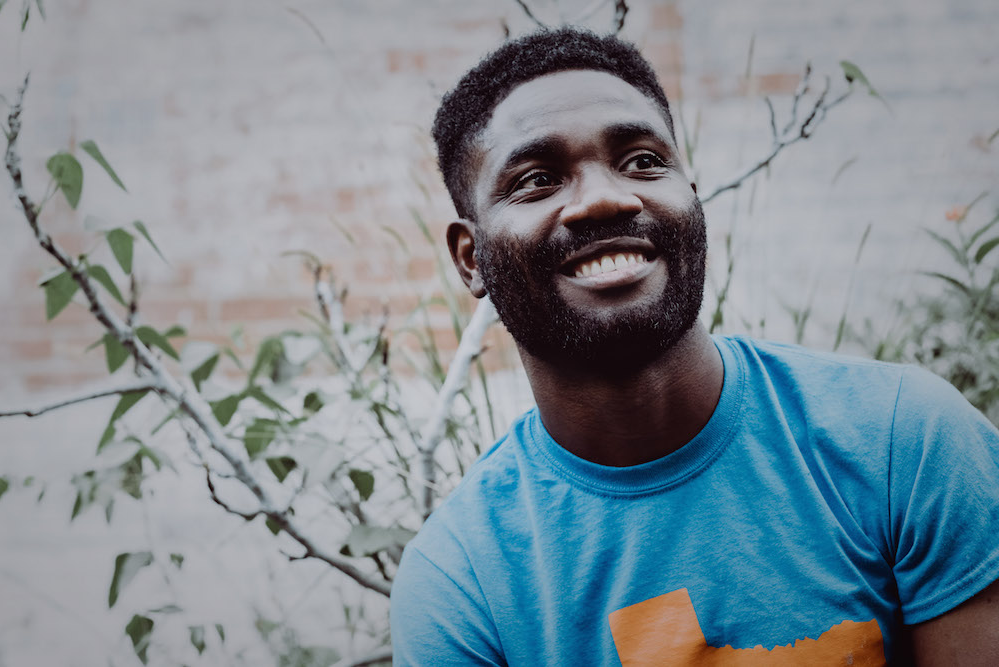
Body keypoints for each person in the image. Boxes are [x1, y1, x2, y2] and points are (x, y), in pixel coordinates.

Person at [389, 27, 999, 666]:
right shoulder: (462, 584)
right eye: (538, 179)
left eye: (643, 161)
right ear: (470, 258)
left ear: (692, 196)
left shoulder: (905, 441)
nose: (605, 197)